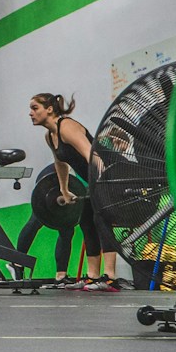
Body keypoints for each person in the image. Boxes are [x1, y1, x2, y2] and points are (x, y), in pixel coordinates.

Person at [29, 93, 122, 291]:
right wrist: (64, 189)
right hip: (93, 180)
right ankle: (92, 277)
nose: (31, 113)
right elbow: (60, 163)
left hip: (107, 173)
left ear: (50, 109)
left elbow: (92, 154)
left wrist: (101, 184)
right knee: (86, 222)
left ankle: (111, 277)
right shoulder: (50, 135)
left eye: (35, 108)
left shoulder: (67, 127)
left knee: (101, 220)